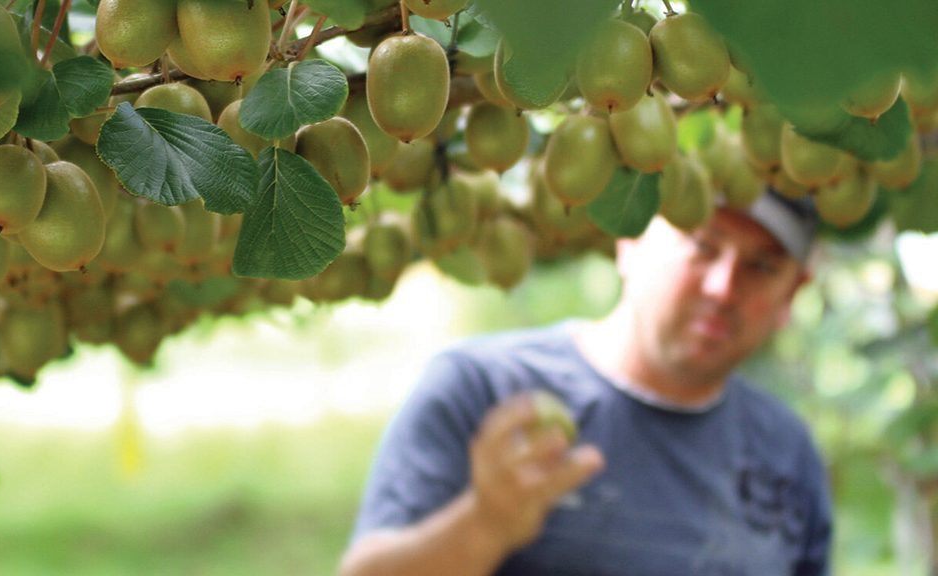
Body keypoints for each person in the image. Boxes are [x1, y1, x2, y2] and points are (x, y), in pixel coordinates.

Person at [339, 187, 833, 576]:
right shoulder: (486, 389)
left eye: (761, 265)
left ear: (793, 292)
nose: (723, 287)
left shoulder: (786, 450)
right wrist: (485, 524)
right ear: (630, 240)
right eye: (702, 245)